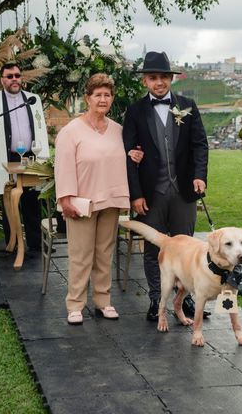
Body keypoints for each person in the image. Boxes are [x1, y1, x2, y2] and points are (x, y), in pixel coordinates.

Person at [122, 51, 209, 322]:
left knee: (187, 250)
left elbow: (199, 146)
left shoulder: (188, 105)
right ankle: (155, 298)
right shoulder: (135, 111)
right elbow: (128, 154)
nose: (158, 82)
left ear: (171, 78)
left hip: (183, 191)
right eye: (152, 78)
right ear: (145, 82)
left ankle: (187, 299)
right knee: (153, 250)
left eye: (163, 77)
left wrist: (199, 175)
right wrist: (135, 194)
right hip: (151, 194)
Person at [54, 73, 135, 325]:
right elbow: (63, 167)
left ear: (112, 99)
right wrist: (65, 199)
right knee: (80, 255)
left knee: (104, 254)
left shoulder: (119, 131)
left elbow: (125, 157)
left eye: (107, 95)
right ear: (87, 98)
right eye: (98, 94)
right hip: (81, 203)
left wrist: (134, 156)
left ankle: (103, 301)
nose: (103, 99)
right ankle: (75, 304)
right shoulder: (71, 132)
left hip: (110, 200)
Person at [0, 62, 50, 255]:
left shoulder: (32, 99)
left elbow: (39, 126)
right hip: (7, 156)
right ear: (2, 80)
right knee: (9, 200)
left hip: (29, 156)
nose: (14, 79)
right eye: (9, 76)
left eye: (17, 76)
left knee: (32, 201)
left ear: (22, 78)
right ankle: (14, 243)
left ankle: (36, 244)